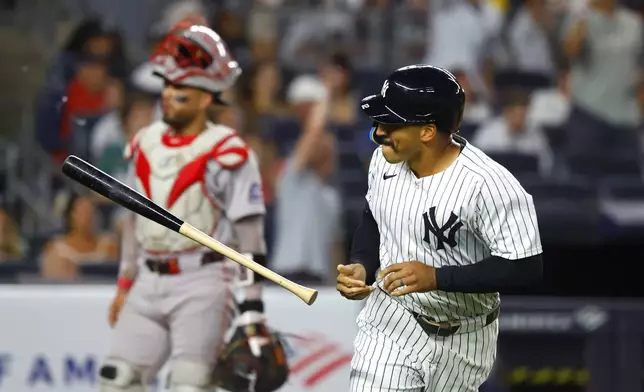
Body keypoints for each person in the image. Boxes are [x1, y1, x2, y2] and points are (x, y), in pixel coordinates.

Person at [98, 22, 287, 392]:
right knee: (117, 379)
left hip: (203, 280)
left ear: (206, 96)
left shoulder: (227, 150)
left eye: (181, 88)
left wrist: (251, 310)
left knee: (189, 383)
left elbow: (249, 241)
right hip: (149, 278)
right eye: (167, 85)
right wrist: (125, 282)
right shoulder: (146, 141)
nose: (169, 95)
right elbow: (136, 220)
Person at [336, 65, 543, 392]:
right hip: (392, 320)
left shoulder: (488, 185)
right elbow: (373, 218)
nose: (377, 132)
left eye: (390, 124)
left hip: (465, 337)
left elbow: (525, 266)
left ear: (428, 132)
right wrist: (362, 264)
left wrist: (436, 277)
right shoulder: (382, 161)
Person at [40, 192, 119, 280]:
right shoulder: (56, 248)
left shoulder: (109, 246)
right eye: (83, 212)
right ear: (70, 215)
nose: (88, 217)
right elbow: (50, 282)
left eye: (91, 212)